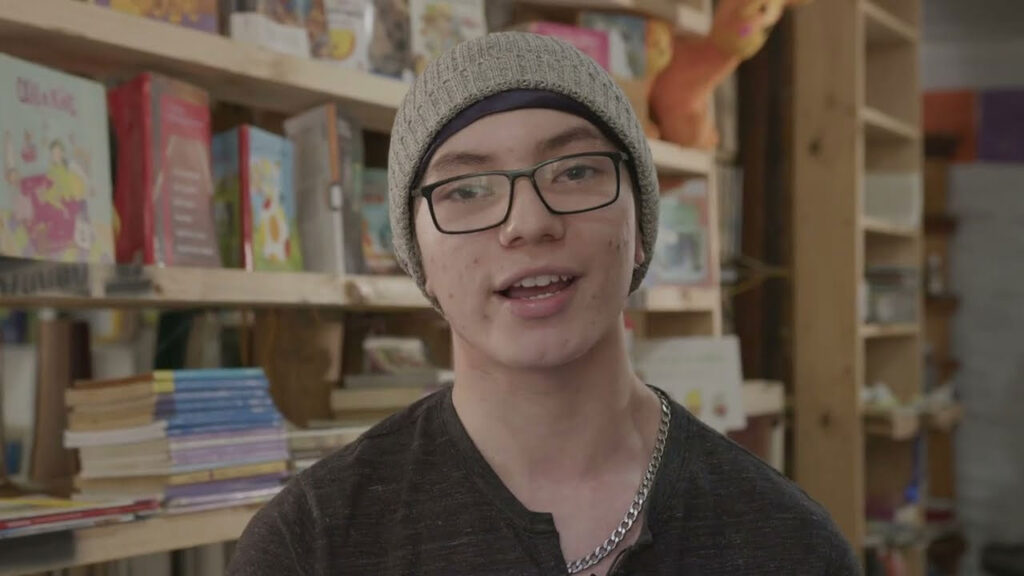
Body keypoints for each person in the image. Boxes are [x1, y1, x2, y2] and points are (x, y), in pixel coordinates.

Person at [227, 31, 859, 575]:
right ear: (417, 255)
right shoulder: (311, 545)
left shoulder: (786, 543)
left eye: (576, 171)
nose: (528, 223)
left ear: (638, 224)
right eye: (466, 188)